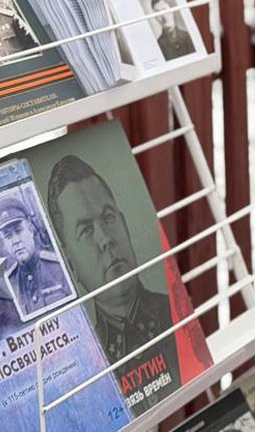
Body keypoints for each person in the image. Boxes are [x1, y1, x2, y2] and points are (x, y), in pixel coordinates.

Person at [46, 154, 174, 367]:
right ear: (70, 264)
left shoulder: (175, 314)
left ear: (124, 225)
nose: (105, 239)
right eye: (86, 230)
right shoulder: (85, 365)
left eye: (108, 218)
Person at [0, 196, 72, 317]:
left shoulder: (59, 267)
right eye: (8, 236)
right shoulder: (10, 282)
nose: (15, 241)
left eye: (19, 231)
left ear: (30, 230)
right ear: (4, 243)